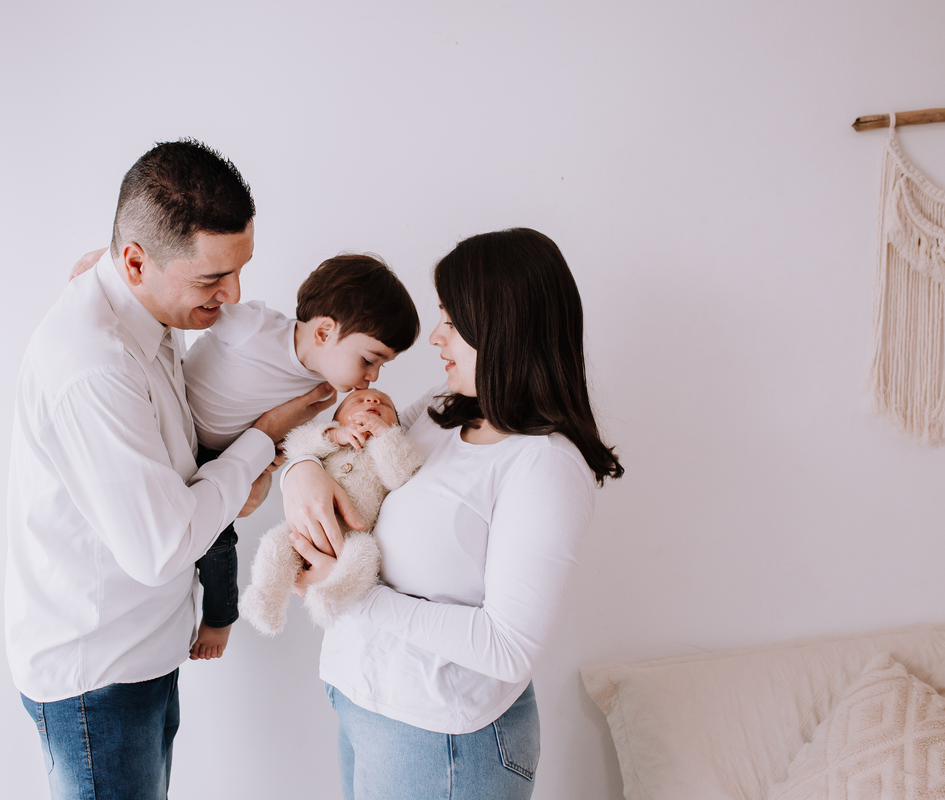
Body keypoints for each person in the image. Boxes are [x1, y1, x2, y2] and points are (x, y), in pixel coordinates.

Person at [5, 139, 336, 800]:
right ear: (135, 262)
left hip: (141, 652)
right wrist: (260, 440)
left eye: (239, 271)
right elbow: (161, 548)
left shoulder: (141, 296)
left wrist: (230, 487)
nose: (233, 295)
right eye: (213, 279)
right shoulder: (95, 367)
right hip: (98, 677)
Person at [281, 228, 625, 800]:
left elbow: (507, 647)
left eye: (452, 321)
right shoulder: (441, 410)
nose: (437, 337)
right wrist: (300, 470)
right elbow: (344, 451)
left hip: (443, 740)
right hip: (362, 700)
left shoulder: (544, 465)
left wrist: (351, 590)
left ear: (502, 327)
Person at [66, 252, 421, 658]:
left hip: (221, 458)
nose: (372, 378)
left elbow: (290, 440)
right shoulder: (255, 328)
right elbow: (186, 301)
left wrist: (273, 460)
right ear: (324, 332)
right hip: (169, 429)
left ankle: (220, 619)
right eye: (370, 360)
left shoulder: (320, 393)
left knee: (218, 548)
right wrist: (109, 265)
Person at [239, 388, 423, 635]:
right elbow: (295, 443)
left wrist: (384, 435)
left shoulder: (391, 450)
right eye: (357, 401)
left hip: (351, 538)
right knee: (276, 543)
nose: (372, 401)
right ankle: (266, 598)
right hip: (303, 532)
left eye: (385, 405)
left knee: (365, 553)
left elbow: (401, 475)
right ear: (337, 420)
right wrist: (334, 435)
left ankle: (331, 594)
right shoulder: (329, 443)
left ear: (397, 427)